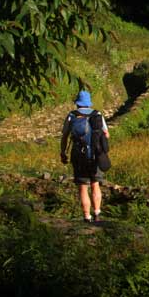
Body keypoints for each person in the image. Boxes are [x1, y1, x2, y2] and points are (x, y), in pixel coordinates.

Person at [60, 90, 110, 223]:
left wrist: (63, 152)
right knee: (95, 184)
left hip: (78, 154)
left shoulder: (72, 115)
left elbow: (65, 136)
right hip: (96, 154)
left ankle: (87, 216)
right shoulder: (97, 114)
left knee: (83, 186)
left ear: (77, 103)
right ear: (89, 103)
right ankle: (97, 213)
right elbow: (106, 134)